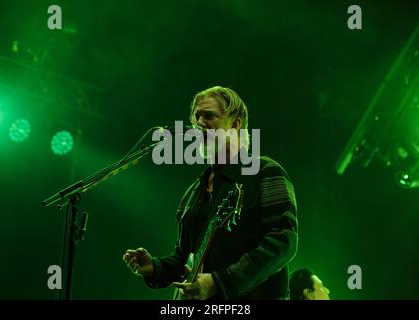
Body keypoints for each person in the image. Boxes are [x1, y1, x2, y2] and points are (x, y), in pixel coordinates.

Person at [123, 86, 298, 300]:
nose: (199, 123)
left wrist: (220, 282)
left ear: (235, 124)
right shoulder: (194, 192)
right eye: (196, 116)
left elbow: (283, 242)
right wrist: (155, 267)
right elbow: (185, 259)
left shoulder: (265, 172)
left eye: (209, 116)